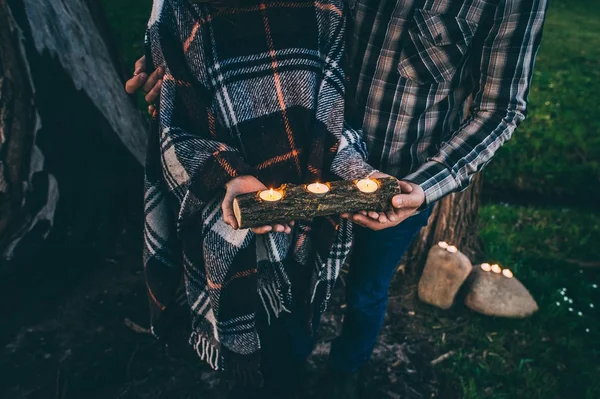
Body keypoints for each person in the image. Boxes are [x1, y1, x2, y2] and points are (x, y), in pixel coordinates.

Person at [129, 0, 549, 397]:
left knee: (367, 291)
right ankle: (288, 367)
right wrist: (166, 67)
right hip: (299, 168)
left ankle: (346, 371)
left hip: (399, 184)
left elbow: (500, 109)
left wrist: (425, 188)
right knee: (295, 285)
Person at [138, 0, 401, 397]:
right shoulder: (183, 8)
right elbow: (175, 116)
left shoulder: (326, 8)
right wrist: (227, 172)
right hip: (226, 205)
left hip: (301, 211)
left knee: (291, 328)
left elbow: (332, 101)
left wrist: (355, 171)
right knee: (247, 337)